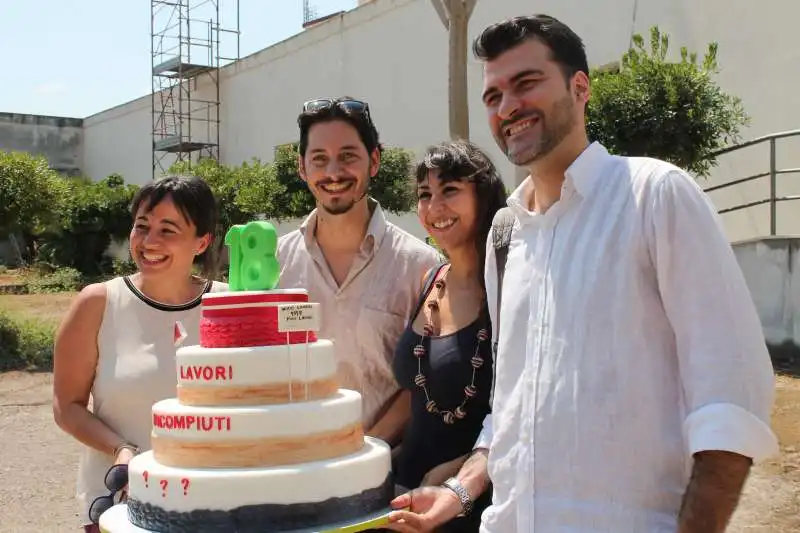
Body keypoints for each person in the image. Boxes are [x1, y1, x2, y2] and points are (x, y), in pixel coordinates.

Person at [386, 14, 779, 533]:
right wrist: (459, 492)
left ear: (580, 86)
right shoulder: (508, 236)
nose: (508, 107)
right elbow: (510, 410)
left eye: (526, 83)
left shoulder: (654, 195)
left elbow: (730, 400)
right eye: (493, 96)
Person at [52, 175, 228, 532]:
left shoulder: (229, 304)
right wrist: (121, 449)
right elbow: (66, 406)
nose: (149, 241)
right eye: (142, 226)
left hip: (216, 504)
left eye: (168, 229)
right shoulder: (98, 303)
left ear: (202, 242)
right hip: (121, 510)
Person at [277, 97, 442, 448]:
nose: (334, 172)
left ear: (375, 161)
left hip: (383, 477)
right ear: (302, 169)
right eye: (319, 159)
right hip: (289, 466)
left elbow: (426, 379)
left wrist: (361, 449)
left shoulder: (422, 267)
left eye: (349, 156)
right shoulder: (275, 264)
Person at [391, 140, 507, 531]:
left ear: (484, 196)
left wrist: (462, 470)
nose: (434, 207)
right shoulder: (430, 279)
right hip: (407, 499)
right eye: (425, 194)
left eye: (450, 191)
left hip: (471, 504)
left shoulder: (509, 285)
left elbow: (522, 406)